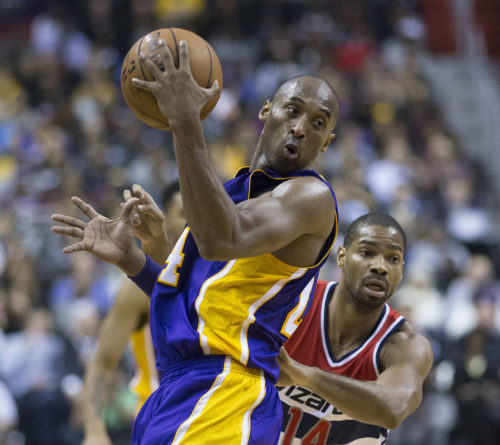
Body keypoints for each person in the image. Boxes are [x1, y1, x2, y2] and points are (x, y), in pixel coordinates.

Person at [51, 38, 339, 445]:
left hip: (226, 390)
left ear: (326, 142)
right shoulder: (229, 195)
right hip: (175, 391)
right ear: (266, 111)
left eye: (318, 123)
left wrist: (185, 120)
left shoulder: (310, 198)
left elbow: (221, 239)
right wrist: (134, 260)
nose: (300, 127)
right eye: (293, 110)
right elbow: (196, 303)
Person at [277, 212, 433, 444]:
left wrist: (306, 376)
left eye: (393, 259)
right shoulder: (295, 302)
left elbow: (393, 408)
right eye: (367, 253)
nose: (381, 267)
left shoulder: (406, 344)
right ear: (341, 257)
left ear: (401, 272)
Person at [82, 182, 185, 445]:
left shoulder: (218, 276)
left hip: (211, 413)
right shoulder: (138, 290)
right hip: (157, 420)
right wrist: (94, 429)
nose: (193, 222)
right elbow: (103, 361)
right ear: (164, 220)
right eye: (184, 213)